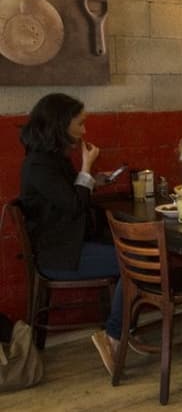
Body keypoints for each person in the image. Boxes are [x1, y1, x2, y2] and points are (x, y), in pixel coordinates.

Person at [18, 93, 124, 377]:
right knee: (134, 263)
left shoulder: (51, 159)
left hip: (71, 244)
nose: (84, 130)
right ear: (61, 124)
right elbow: (75, 204)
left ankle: (120, 330)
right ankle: (114, 337)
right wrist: (87, 168)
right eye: (80, 123)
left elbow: (69, 198)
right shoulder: (39, 165)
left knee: (131, 254)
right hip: (59, 254)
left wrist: (91, 180)